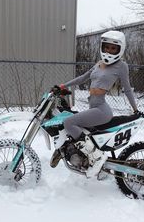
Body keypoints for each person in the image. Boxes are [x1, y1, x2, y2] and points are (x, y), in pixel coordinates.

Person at [53, 30, 138, 177]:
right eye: (106, 47)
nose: (109, 50)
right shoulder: (99, 64)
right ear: (102, 47)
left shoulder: (121, 66)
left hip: (101, 110)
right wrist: (63, 86)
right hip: (93, 107)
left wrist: (135, 108)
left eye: (113, 48)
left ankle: (97, 157)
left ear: (120, 49)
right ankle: (69, 152)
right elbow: (82, 78)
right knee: (72, 125)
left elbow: (127, 89)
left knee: (68, 123)